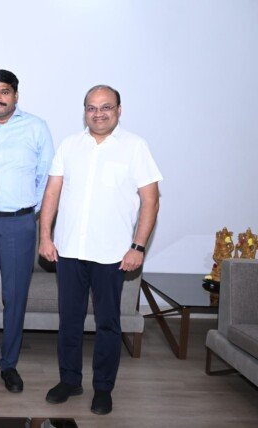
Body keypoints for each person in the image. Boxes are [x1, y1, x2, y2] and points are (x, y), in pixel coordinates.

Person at [39, 85, 162, 415]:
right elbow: (51, 194)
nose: (99, 113)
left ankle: (103, 388)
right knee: (69, 321)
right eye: (92, 108)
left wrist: (138, 247)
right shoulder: (69, 145)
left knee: (108, 324)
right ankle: (69, 380)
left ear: (119, 110)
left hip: (112, 255)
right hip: (70, 251)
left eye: (106, 107)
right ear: (85, 112)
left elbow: (151, 200)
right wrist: (45, 237)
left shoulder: (135, 147)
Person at [0, 69, 54, 393]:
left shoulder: (36, 128)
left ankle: (10, 364)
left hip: (20, 223)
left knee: (15, 296)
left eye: (4, 92)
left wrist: (30, 212)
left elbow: (46, 176)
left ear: (15, 95)